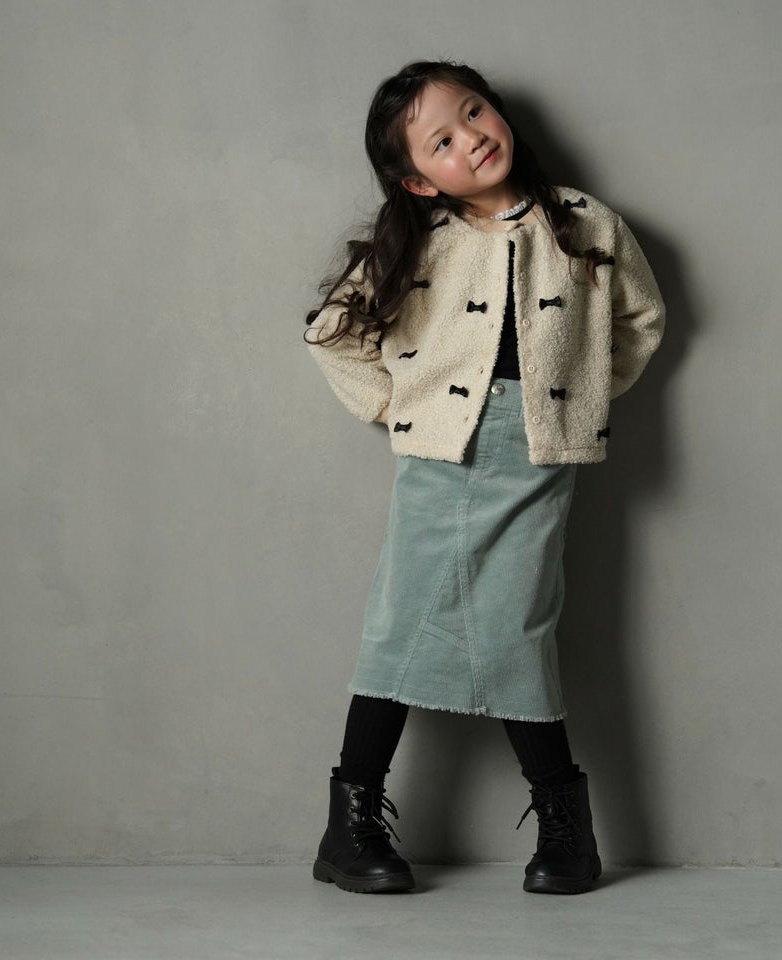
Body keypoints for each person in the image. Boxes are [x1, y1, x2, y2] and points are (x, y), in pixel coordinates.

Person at [303, 59, 664, 896]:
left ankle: (567, 831)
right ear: (418, 181)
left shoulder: (585, 222)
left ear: (497, 110)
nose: (469, 139)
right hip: (440, 456)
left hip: (539, 454)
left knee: (517, 629)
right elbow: (331, 333)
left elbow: (641, 320)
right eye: (441, 141)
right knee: (399, 627)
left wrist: (576, 396)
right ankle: (348, 827)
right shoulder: (419, 242)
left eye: (473, 113)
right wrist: (401, 409)